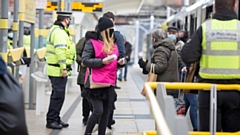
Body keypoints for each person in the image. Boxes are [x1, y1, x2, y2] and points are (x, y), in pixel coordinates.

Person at [181, 0, 240, 132]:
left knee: (209, 131)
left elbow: (187, 55)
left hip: (209, 90)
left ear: (214, 7)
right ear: (235, 5)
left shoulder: (205, 28)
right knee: (235, 131)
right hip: (236, 91)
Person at [82, 16, 124, 135]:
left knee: (106, 112)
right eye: (110, 28)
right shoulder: (91, 42)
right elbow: (85, 60)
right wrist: (102, 62)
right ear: (104, 30)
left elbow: (114, 63)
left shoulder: (113, 43)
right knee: (98, 111)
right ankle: (88, 133)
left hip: (109, 81)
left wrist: (120, 63)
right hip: (95, 82)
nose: (112, 31)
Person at [45, 11, 72, 129]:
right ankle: (51, 120)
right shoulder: (59, 33)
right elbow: (60, 51)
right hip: (58, 70)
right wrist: (64, 68)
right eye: (69, 19)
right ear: (66, 20)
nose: (69, 22)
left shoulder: (56, 30)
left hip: (56, 69)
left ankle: (55, 118)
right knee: (58, 96)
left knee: (57, 95)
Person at [138, 29, 181, 95]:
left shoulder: (161, 50)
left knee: (160, 105)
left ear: (154, 39)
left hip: (163, 87)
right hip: (173, 85)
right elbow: (179, 62)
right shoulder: (171, 48)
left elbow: (160, 67)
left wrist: (145, 65)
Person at [103, 11, 125, 89]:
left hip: (108, 72)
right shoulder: (97, 36)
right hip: (102, 72)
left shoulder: (117, 36)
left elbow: (122, 53)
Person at [76, 37, 91, 125]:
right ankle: (85, 117)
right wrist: (81, 61)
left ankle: (94, 117)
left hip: (96, 75)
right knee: (86, 97)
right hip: (84, 74)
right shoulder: (84, 40)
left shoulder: (103, 41)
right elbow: (76, 53)